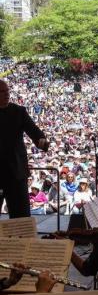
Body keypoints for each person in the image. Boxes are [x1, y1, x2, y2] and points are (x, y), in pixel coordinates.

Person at [0, 79, 49, 218]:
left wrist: (42, 141)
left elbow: (34, 131)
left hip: (16, 172)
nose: (6, 94)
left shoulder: (18, 111)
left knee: (21, 217)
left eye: (7, 91)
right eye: (2, 92)